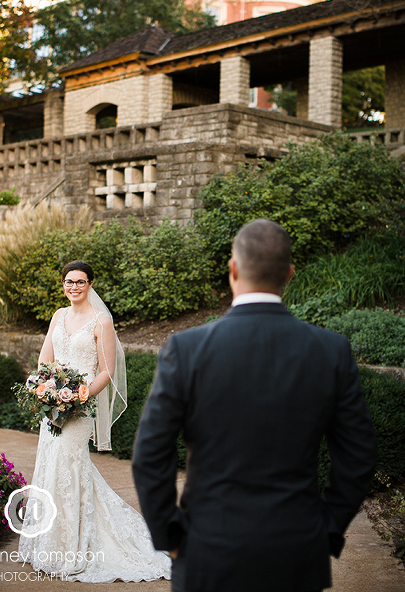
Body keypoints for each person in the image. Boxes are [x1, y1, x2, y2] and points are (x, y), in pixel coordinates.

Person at [132, 219, 376, 592]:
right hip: (297, 551)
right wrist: (327, 528)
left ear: (233, 270)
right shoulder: (331, 351)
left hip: (207, 551)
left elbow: (150, 454)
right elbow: (359, 455)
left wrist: (172, 537)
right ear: (289, 274)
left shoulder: (186, 349)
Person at [18, 260, 171, 583]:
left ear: (90, 284)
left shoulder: (102, 321)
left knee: (70, 467)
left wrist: (78, 396)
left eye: (80, 281)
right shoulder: (58, 316)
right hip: (52, 406)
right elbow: (45, 359)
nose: (73, 287)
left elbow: (106, 371)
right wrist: (47, 388)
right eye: (68, 281)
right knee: (50, 465)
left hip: (78, 408)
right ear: (63, 284)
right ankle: (50, 543)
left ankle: (73, 547)